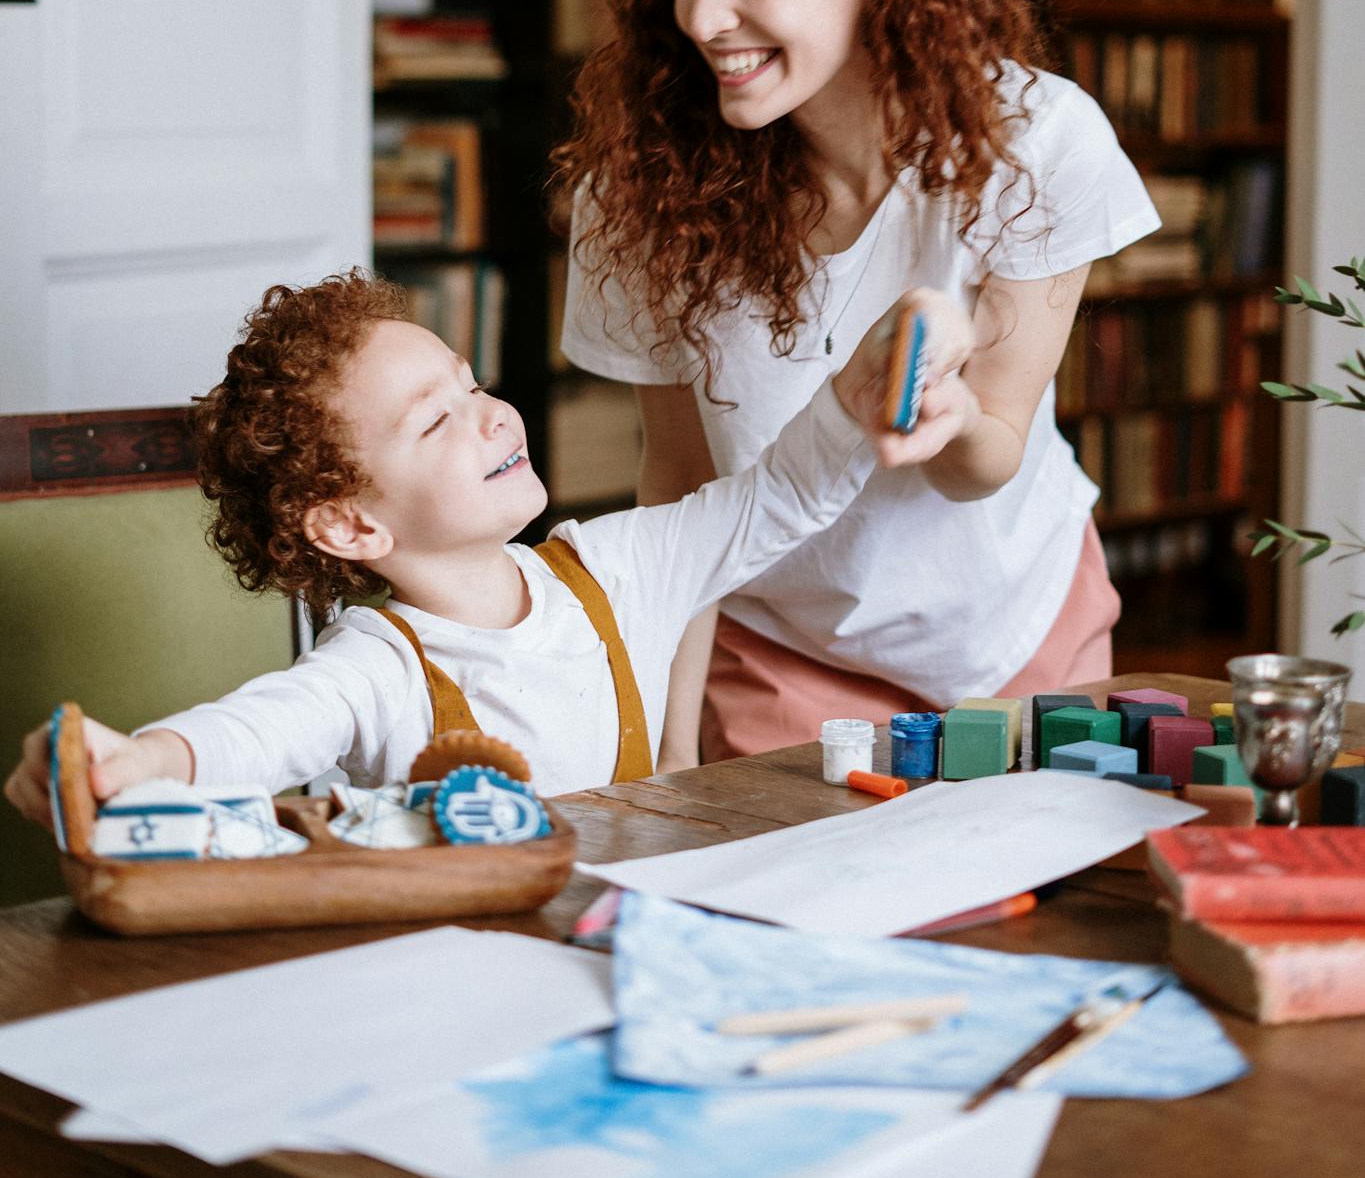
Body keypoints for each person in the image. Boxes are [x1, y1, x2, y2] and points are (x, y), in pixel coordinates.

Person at [555, 0, 1161, 770]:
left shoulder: (1037, 142)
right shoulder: (640, 188)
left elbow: (990, 455)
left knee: (1014, 922)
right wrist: (663, 761)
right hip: (781, 646)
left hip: (1013, 631)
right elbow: (682, 488)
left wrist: (951, 407)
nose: (703, 16)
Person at [5, 267, 968, 827]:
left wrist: (862, 391)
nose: (490, 417)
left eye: (471, 386)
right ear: (350, 525)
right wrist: (140, 764)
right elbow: (255, 733)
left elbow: (778, 498)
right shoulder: (376, 669)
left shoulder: (617, 570)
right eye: (436, 423)